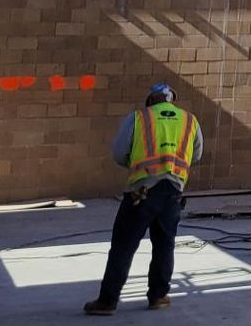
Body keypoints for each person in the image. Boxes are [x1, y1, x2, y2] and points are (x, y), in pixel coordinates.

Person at [84, 84, 202, 316]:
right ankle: (158, 296)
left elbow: (119, 152)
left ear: (151, 100)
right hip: (173, 190)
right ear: (171, 100)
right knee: (164, 245)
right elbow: (196, 154)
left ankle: (107, 301)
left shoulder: (139, 117)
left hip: (142, 190)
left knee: (123, 246)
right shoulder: (189, 120)